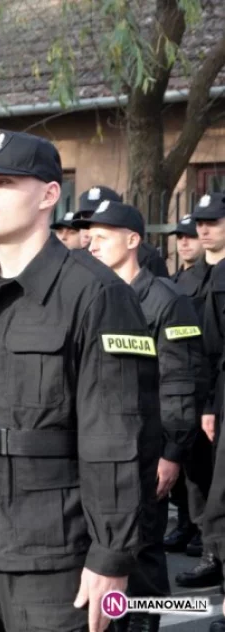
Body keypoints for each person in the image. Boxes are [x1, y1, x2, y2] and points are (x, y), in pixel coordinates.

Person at [0, 130, 159, 632]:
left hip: (56, 554)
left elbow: (119, 436)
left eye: (4, 181)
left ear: (49, 195)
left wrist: (111, 554)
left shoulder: (97, 294)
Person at [80, 201, 206, 631]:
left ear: (132, 241)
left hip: (147, 450)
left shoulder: (167, 302)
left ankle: (143, 624)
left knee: (144, 551)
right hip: (99, 448)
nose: (90, 244)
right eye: (88, 236)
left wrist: (172, 452)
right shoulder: (89, 296)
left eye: (102, 236)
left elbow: (181, 384)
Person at [179, 192, 225, 590]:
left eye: (213, 222)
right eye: (200, 222)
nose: (204, 229)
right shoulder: (190, 277)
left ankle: (218, 553)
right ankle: (208, 548)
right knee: (196, 474)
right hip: (190, 386)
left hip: (219, 390)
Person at [165, 213, 207, 552]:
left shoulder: (208, 277)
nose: (184, 242)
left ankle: (201, 530)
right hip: (179, 378)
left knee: (199, 468)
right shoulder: (175, 279)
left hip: (199, 378)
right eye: (180, 236)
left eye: (190, 236)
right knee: (183, 465)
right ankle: (186, 525)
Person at [74, 186, 169, 277]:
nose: (95, 220)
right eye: (86, 216)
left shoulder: (149, 256)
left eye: (101, 213)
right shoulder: (81, 257)